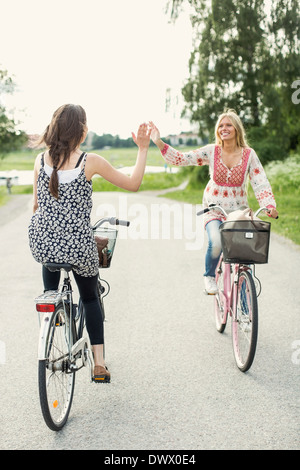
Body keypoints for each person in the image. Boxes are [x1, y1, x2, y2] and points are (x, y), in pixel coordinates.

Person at [28, 104, 150, 381]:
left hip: (43, 243)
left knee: (51, 258)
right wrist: (142, 149)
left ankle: (53, 307)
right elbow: (133, 183)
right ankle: (99, 363)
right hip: (80, 247)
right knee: (90, 297)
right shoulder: (89, 161)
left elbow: (36, 205)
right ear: (81, 131)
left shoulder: (39, 161)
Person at [149, 110, 278, 295]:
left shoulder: (249, 155)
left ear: (236, 129)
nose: (224, 128)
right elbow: (183, 159)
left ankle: (245, 307)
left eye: (228, 125)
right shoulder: (212, 151)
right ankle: (209, 276)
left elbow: (260, 182)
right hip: (214, 208)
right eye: (221, 125)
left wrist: (269, 205)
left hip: (238, 211)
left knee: (243, 259)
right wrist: (159, 142)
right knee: (216, 241)